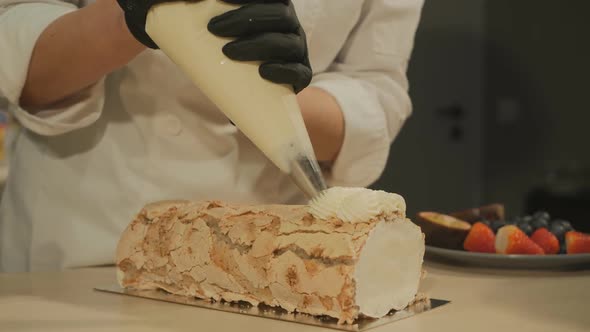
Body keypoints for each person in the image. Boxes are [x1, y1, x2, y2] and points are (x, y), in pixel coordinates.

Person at [0, 0, 424, 272]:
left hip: (269, 266)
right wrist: (129, 16)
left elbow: (376, 90)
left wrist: (255, 90)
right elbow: (19, 56)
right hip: (77, 251)